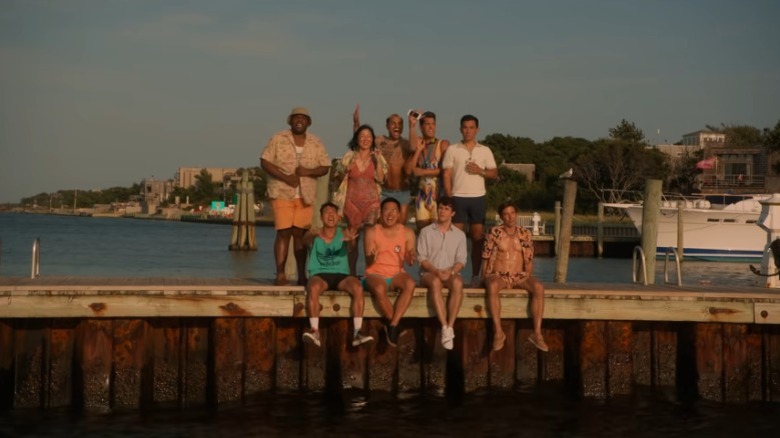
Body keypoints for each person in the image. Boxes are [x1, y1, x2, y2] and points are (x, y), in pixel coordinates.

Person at [261, 107, 331, 286]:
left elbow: (325, 166)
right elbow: (265, 161)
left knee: (300, 235)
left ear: (308, 122)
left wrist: (307, 171)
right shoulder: (278, 138)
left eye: (303, 118)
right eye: (296, 118)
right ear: (290, 121)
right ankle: (280, 274)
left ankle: (302, 275)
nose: (299, 121)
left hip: (306, 195)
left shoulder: (316, 142)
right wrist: (286, 177)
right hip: (281, 191)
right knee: (283, 232)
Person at [301, 202, 374, 348]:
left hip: (341, 275)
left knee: (357, 287)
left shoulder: (344, 233)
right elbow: (305, 241)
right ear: (321, 217)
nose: (330, 215)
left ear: (338, 217)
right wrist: (310, 234)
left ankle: (357, 332)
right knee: (313, 287)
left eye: (333, 212)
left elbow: (351, 247)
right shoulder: (315, 234)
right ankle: (315, 331)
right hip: (320, 274)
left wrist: (351, 241)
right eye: (326, 212)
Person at [481, 201, 547, 352]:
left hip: (518, 275)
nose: (509, 217)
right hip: (499, 274)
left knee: (538, 287)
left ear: (516, 214)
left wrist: (528, 277)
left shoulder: (525, 233)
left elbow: (529, 260)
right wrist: (483, 277)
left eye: (512, 213)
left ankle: (537, 334)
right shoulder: (494, 232)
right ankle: (498, 332)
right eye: (506, 214)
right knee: (492, 286)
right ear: (501, 216)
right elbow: (485, 257)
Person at [442, 114, 498, 285]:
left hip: (478, 198)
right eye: (465, 127)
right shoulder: (453, 149)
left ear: (477, 130)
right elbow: (446, 173)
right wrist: (449, 196)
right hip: (458, 197)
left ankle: (475, 275)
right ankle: (452, 274)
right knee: (455, 239)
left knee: (477, 239)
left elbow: (494, 174)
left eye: (471, 127)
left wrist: (480, 170)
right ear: (460, 129)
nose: (468, 131)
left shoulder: (485, 150)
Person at [331, 124, 388, 275]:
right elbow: (336, 177)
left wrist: (377, 161)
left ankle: (370, 273)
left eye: (369, 137)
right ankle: (351, 274)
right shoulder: (349, 156)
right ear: (356, 139)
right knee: (352, 240)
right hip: (351, 202)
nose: (365, 139)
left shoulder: (377, 156)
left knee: (370, 237)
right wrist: (345, 169)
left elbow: (382, 179)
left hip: (372, 202)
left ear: (373, 139)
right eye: (362, 136)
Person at [363, 197, 417, 347]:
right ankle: (396, 325)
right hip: (375, 274)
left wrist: (411, 259)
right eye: (386, 210)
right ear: (381, 213)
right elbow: (368, 262)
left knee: (410, 284)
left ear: (399, 214)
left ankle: (392, 325)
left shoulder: (407, 232)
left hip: (396, 274)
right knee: (380, 288)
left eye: (394, 211)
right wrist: (371, 256)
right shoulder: (372, 231)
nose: (390, 214)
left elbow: (410, 260)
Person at [416, 196, 466, 350]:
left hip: (449, 273)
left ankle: (450, 327)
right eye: (440, 208)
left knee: (458, 282)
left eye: (446, 209)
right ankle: (444, 327)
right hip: (429, 273)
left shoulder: (460, 235)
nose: (442, 211)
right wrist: (436, 271)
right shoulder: (425, 232)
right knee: (436, 282)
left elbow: (461, 261)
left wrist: (450, 272)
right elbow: (422, 259)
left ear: (453, 213)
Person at [353, 106, 415, 223]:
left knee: (400, 226)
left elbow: (413, 148)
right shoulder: (379, 140)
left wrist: (412, 125)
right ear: (387, 126)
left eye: (400, 124)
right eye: (393, 123)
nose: (397, 126)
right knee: (381, 224)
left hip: (402, 191)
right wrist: (356, 123)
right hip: (383, 191)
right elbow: (360, 140)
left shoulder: (406, 143)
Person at [406, 110, 450, 231]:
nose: (431, 127)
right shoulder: (419, 145)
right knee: (423, 233)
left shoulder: (443, 144)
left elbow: (446, 171)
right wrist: (411, 126)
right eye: (427, 124)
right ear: (421, 127)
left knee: (438, 233)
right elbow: (409, 171)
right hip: (422, 196)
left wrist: (423, 172)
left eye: (433, 124)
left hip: (438, 195)